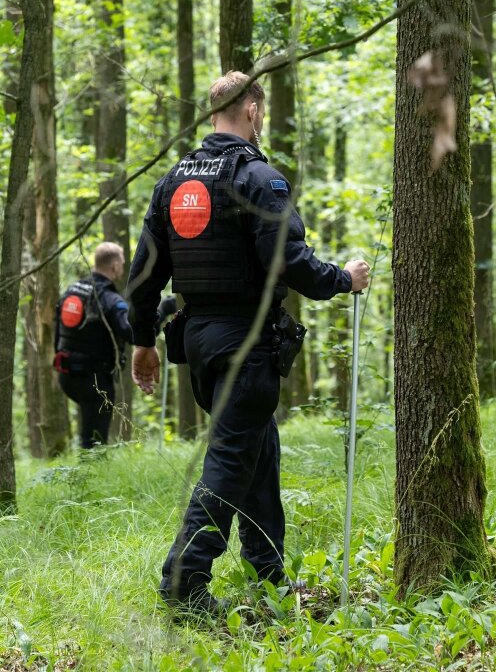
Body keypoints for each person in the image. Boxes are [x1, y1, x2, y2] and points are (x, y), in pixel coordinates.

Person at [126, 71, 370, 617]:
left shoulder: (175, 183)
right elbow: (290, 261)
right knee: (232, 458)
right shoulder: (260, 178)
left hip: (201, 343)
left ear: (215, 112)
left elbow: (143, 275)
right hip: (247, 342)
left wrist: (144, 342)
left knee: (258, 450)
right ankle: (183, 582)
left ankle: (268, 575)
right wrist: (343, 277)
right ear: (253, 110)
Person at [53, 242, 134, 449]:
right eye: (122, 263)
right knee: (95, 443)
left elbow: (57, 332)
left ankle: (84, 474)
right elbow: (132, 333)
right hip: (95, 381)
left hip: (67, 376)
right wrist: (161, 313)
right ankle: (90, 477)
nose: (122, 267)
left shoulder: (71, 291)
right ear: (114, 266)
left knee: (88, 432)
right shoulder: (109, 299)